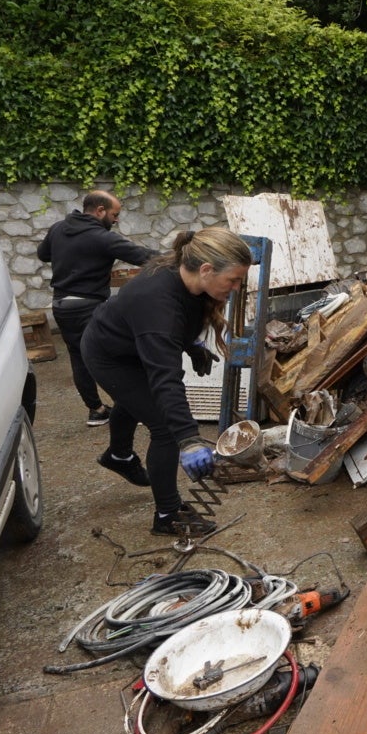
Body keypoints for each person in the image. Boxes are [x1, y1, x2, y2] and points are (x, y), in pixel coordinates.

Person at [82, 226, 252, 537]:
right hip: (110, 356)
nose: (237, 287)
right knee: (163, 425)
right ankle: (168, 515)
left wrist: (192, 345)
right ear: (206, 269)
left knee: (134, 402)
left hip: (132, 343)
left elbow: (179, 320)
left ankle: (118, 456)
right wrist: (189, 439)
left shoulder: (185, 277)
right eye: (233, 280)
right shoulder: (158, 304)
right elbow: (167, 381)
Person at [36, 190, 156, 426]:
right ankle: (134, 408)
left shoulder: (58, 228)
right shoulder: (102, 237)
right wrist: (181, 258)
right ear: (100, 210)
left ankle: (96, 410)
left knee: (78, 356)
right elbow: (142, 256)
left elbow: (43, 254)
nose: (116, 220)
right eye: (114, 214)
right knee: (117, 356)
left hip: (61, 305)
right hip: (88, 307)